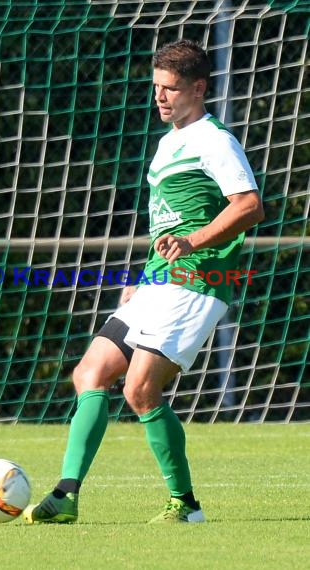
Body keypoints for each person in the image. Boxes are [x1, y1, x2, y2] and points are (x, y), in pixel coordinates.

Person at [23, 39, 264, 525]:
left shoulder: (214, 141)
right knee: (90, 371)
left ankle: (184, 505)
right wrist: (141, 277)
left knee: (139, 390)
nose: (161, 97)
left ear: (198, 88)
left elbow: (249, 206)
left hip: (198, 280)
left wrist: (194, 243)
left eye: (171, 89)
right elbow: (165, 226)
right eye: (156, 87)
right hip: (160, 281)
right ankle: (67, 496)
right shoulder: (166, 143)